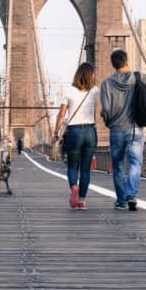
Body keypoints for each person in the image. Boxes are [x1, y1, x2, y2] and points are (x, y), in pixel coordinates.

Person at [99, 48, 146, 212]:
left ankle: (121, 200)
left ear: (113, 64)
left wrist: (110, 122)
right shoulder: (139, 77)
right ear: (127, 61)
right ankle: (131, 195)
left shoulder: (106, 84)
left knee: (118, 165)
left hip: (116, 129)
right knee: (136, 163)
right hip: (135, 129)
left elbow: (105, 110)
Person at [53, 62, 99, 209]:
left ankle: (74, 186)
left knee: (72, 166)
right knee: (85, 169)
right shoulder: (95, 91)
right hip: (90, 132)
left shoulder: (69, 91)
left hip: (74, 132)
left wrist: (56, 132)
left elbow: (61, 114)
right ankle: (82, 200)